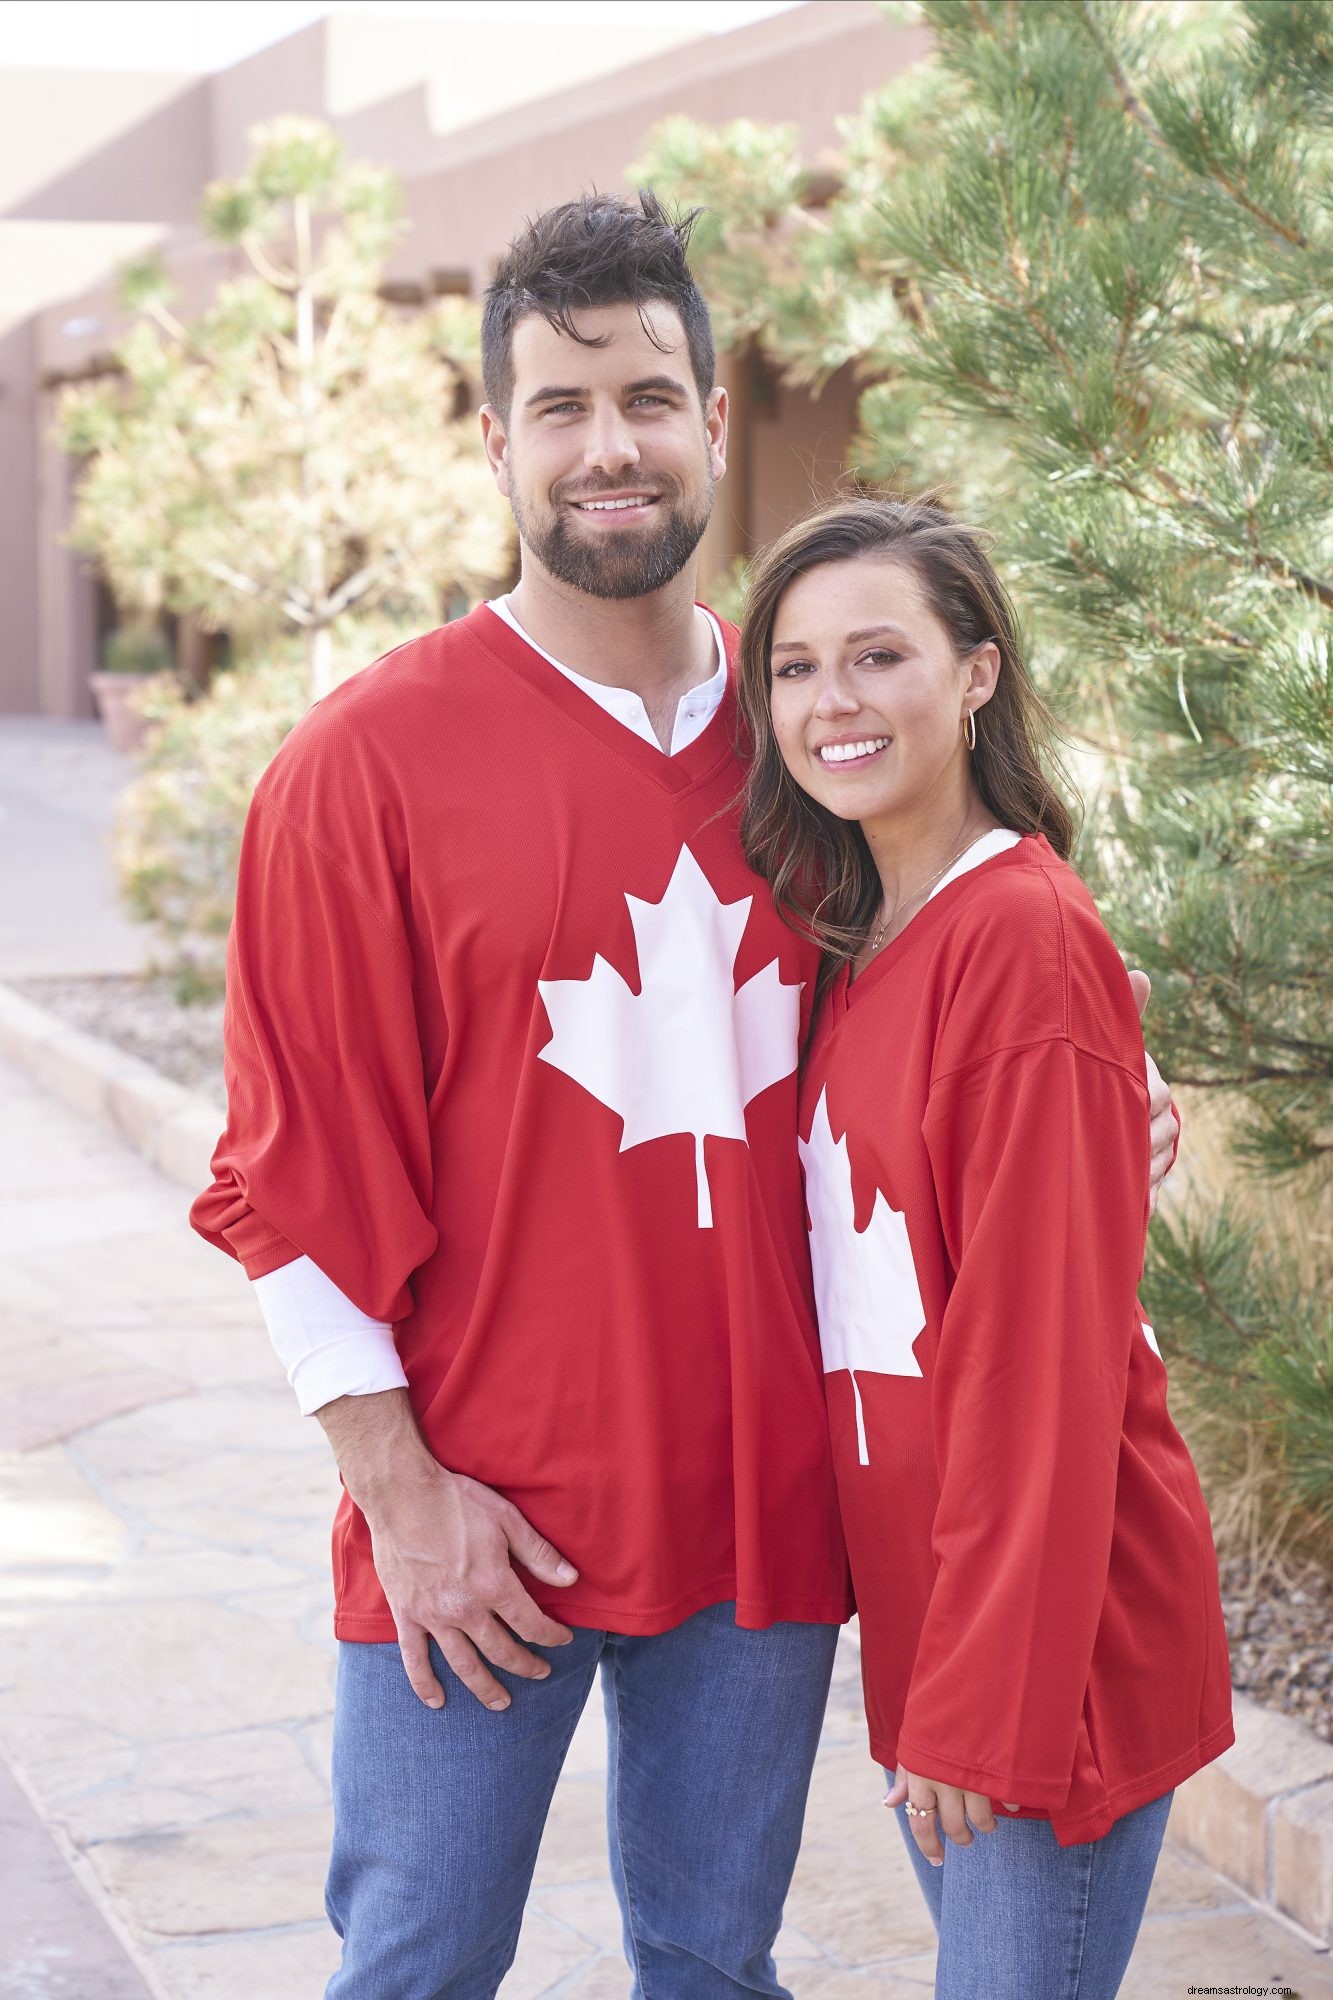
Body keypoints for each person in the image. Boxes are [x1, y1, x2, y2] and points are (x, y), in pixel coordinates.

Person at [190, 195, 1180, 2000]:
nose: (609, 446)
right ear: (495, 443)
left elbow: (975, 979)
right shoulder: (360, 767)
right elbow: (281, 1168)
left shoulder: (813, 733)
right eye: (559, 407)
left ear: (716, 424)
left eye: (648, 396)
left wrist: (1117, 1104)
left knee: (713, 1965)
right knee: (413, 1958)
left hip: (763, 1505)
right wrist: (398, 1490)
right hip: (479, 1509)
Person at [736, 495, 1233, 2000]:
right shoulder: (868, 933)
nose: (833, 702)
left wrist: (979, 1703)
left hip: (1042, 1653)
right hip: (939, 1611)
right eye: (796, 667)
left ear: (974, 675)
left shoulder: (1016, 940)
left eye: (879, 655)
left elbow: (1040, 1365)